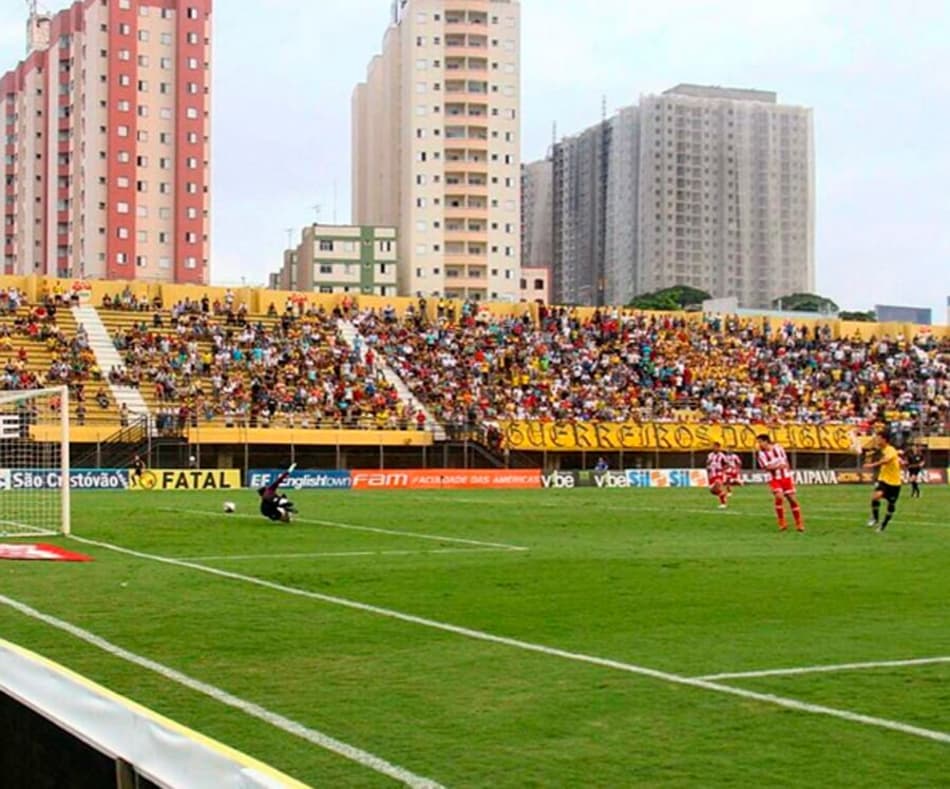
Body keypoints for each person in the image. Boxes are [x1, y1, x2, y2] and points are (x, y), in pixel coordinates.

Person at [756, 434, 805, 533]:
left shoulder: (778, 448)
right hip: (774, 478)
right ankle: (782, 522)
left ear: (766, 441)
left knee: (792, 500)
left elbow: (785, 462)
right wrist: (778, 466)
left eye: (760, 442)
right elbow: (766, 467)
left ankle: (799, 523)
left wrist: (786, 470)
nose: (759, 444)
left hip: (786, 477)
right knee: (779, 496)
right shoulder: (761, 454)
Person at [864, 433, 904, 532]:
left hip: (895, 482)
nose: (877, 440)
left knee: (891, 505)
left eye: (879, 438)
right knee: (876, 496)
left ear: (884, 440)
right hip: (883, 479)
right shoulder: (882, 450)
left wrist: (872, 465)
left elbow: (886, 460)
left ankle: (883, 526)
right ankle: (875, 518)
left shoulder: (890, 450)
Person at [706, 442, 729, 509]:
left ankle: (723, 504)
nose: (713, 448)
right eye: (713, 447)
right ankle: (723, 494)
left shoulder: (722, 455)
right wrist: (708, 466)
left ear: (719, 447)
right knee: (713, 491)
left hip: (719, 474)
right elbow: (707, 463)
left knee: (717, 487)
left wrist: (723, 469)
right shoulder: (710, 455)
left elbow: (727, 464)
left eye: (715, 447)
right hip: (712, 474)